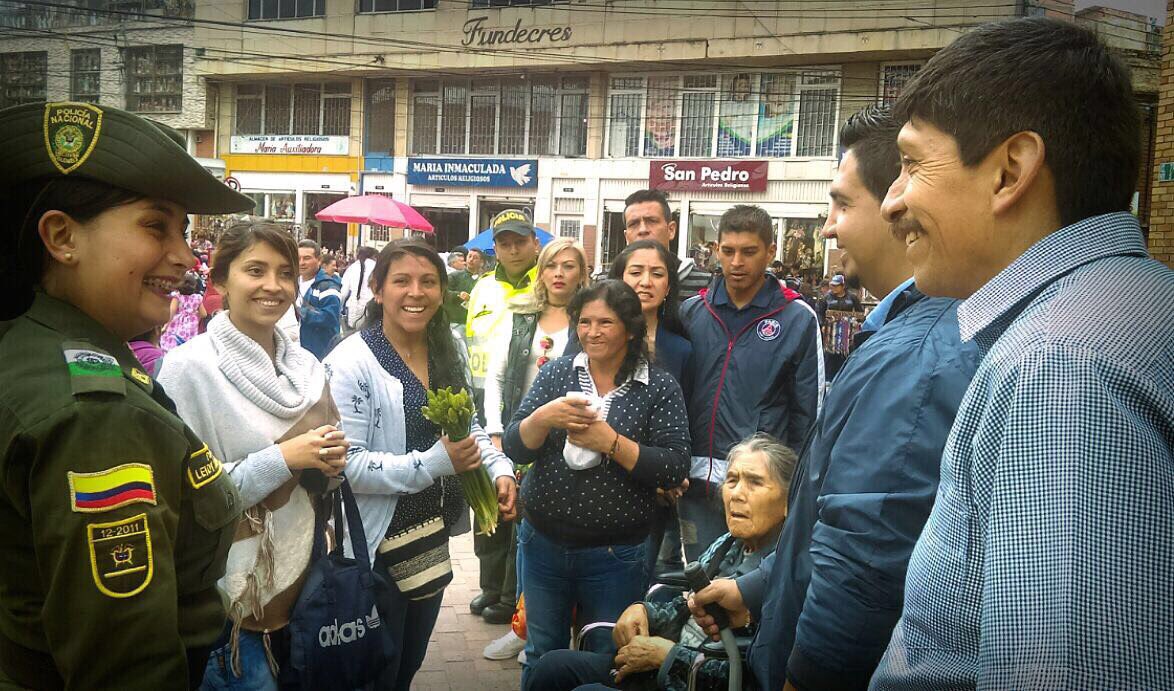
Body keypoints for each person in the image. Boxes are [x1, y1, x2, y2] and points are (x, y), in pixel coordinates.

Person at [868, 18, 1173, 689]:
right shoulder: (1134, 304)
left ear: (1010, 169)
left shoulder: (1058, 365)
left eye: (913, 162)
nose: (892, 200)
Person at [689, 105, 981, 691]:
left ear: (896, 204)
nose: (827, 228)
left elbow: (862, 556)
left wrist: (808, 673)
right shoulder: (900, 333)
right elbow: (823, 523)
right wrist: (755, 588)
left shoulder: (913, 354)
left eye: (842, 204)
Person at [0, 101, 252, 687]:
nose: (186, 258)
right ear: (62, 237)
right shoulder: (95, 416)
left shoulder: (31, 346)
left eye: (184, 232)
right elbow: (127, 668)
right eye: (154, 226)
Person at [157, 222, 349, 688]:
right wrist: (286, 457)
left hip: (306, 583)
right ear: (220, 281)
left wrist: (331, 463)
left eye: (285, 273)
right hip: (229, 602)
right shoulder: (189, 369)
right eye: (255, 270)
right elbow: (186, 498)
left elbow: (326, 476)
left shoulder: (306, 368)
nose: (273, 286)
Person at [324, 239, 517, 691]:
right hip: (372, 547)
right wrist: (430, 464)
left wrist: (499, 467)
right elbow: (344, 465)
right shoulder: (353, 361)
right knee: (374, 671)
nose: (416, 292)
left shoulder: (447, 345)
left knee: (407, 666)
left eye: (428, 281)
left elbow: (466, 429)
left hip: (428, 541)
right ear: (377, 289)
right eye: (402, 281)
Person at [504, 280, 691, 688]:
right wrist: (543, 418)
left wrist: (612, 443)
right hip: (543, 545)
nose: (592, 332)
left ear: (629, 328)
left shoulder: (656, 386)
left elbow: (674, 466)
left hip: (616, 554)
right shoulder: (556, 374)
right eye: (584, 322)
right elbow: (516, 445)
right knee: (541, 653)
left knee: (609, 657)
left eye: (605, 322)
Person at [528, 434, 795, 691]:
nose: (737, 493)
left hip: (688, 675)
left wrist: (668, 656)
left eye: (755, 482)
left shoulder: (786, 574)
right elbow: (686, 606)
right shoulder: (726, 545)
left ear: (789, 501)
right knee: (552, 667)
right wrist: (644, 611)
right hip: (665, 664)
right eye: (732, 480)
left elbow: (752, 677)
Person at [678, 205, 823, 562]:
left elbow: (811, 411)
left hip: (760, 485)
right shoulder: (692, 312)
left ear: (771, 252)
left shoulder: (797, 318)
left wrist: (796, 485)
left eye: (749, 252)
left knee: (748, 589)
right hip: (693, 481)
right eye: (728, 251)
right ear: (715, 251)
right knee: (700, 583)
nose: (737, 262)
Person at [607, 239, 694, 578]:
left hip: (657, 488)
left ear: (669, 284)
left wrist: (667, 479)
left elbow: (685, 417)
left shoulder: (682, 349)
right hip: (600, 479)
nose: (646, 282)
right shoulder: (593, 335)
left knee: (638, 582)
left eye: (657, 273)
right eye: (636, 272)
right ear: (619, 278)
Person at [465, 210, 541, 416]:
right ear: (495, 250)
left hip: (532, 399)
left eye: (520, 242)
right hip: (482, 399)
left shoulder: (549, 286)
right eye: (505, 245)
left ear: (535, 244)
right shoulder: (482, 287)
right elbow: (469, 340)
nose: (513, 250)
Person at [622, 190, 710, 299]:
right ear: (626, 236)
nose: (643, 230)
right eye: (633, 224)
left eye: (651, 221)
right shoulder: (606, 285)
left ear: (671, 230)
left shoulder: (706, 286)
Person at [296, 239, 343, 360]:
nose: (301, 263)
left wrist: (301, 312)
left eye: (307, 258)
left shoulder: (327, 286)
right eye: (298, 258)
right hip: (296, 352)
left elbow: (330, 318)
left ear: (319, 260)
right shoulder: (292, 282)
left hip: (319, 353)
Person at [160, 270, 207, 352]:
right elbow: (204, 314)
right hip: (191, 325)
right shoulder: (197, 298)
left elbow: (172, 312)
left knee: (173, 344)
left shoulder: (177, 297)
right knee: (187, 346)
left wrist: (166, 325)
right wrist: (194, 314)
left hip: (177, 323)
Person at [341, 245, 377, 333]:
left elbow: (343, 293)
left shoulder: (352, 268)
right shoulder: (377, 267)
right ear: (373, 256)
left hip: (353, 309)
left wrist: (340, 308)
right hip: (373, 309)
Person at [444, 246, 482, 326]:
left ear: (481, 262)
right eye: (469, 256)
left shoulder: (484, 279)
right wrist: (458, 294)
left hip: (477, 323)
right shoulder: (454, 276)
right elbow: (442, 293)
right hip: (456, 323)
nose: (471, 259)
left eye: (475, 258)